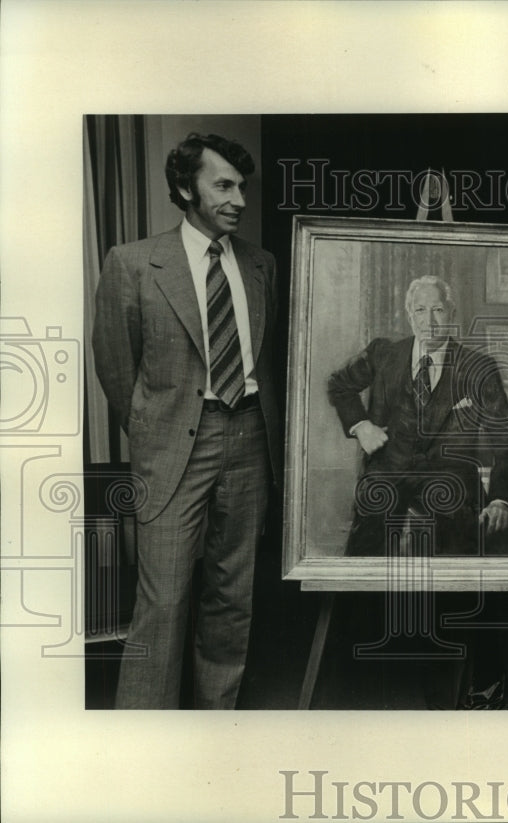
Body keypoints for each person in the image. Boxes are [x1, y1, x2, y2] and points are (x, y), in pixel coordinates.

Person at [93, 133, 282, 709]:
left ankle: (212, 727)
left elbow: (267, 361)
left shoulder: (260, 264)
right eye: (222, 185)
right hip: (174, 443)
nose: (239, 199)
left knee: (232, 597)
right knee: (165, 600)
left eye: (242, 186)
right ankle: (143, 746)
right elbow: (116, 367)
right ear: (185, 188)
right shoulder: (133, 263)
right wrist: (155, 429)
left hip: (249, 437)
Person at [327, 275, 508, 556]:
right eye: (419, 310)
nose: (428, 320)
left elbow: (507, 439)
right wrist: (361, 425)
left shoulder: (479, 368)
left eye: (438, 310)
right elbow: (338, 384)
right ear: (409, 314)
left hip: (451, 478)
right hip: (388, 472)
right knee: (365, 552)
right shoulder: (383, 354)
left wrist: (502, 499)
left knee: (460, 557)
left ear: (451, 313)